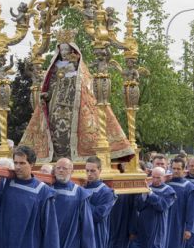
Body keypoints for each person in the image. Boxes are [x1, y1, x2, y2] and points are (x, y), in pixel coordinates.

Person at [20, 35, 133, 163]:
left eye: (66, 50)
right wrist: (48, 94)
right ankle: (57, 156)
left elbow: (86, 86)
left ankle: (75, 154)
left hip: (75, 106)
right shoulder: (55, 68)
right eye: (61, 50)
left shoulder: (80, 69)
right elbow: (51, 85)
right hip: (56, 107)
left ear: (72, 51)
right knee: (54, 130)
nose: (64, 53)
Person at [131, 167, 176, 248]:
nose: (156, 180)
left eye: (159, 177)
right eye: (154, 177)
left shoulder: (169, 191)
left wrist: (150, 195)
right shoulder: (146, 188)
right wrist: (144, 196)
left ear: (164, 178)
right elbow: (138, 206)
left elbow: (162, 206)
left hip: (157, 227)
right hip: (143, 227)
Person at [163, 158, 194, 248]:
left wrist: (189, 228)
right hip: (165, 222)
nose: (176, 171)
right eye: (174, 168)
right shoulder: (166, 183)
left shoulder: (189, 187)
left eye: (179, 169)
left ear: (184, 170)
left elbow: (191, 210)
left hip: (179, 224)